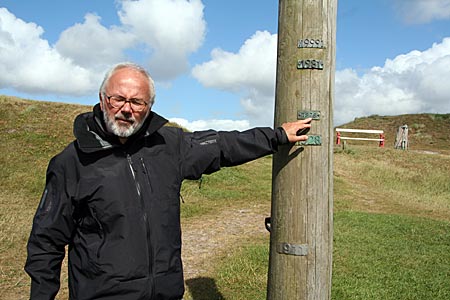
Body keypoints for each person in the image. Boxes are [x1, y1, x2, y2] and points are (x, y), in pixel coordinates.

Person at [24, 62, 312, 300]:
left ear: (149, 106)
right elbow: (46, 242)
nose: (127, 109)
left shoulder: (168, 145)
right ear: (102, 99)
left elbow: (222, 145)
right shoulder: (71, 162)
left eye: (137, 101)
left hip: (165, 292)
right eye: (118, 99)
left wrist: (275, 137)